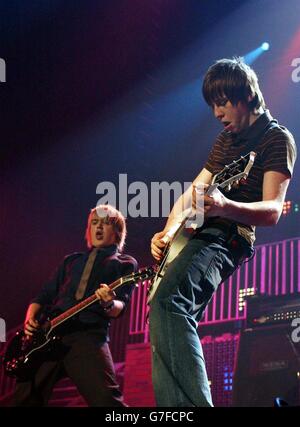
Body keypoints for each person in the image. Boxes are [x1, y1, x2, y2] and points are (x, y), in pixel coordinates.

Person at [149, 57, 297, 407]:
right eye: (212, 105)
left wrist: (224, 207)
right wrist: (168, 230)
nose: (216, 113)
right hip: (198, 235)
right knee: (162, 319)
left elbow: (273, 212)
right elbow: (193, 193)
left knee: (170, 303)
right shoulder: (226, 140)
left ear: (245, 95)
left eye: (221, 103)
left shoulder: (277, 139)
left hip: (229, 237)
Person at [13, 204, 138, 407]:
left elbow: (120, 307)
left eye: (105, 224)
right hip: (49, 336)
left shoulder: (125, 263)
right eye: (94, 223)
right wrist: (30, 319)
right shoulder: (71, 260)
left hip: (88, 337)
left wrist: (108, 302)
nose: (98, 228)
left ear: (117, 232)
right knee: (23, 398)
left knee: (107, 402)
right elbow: (43, 296)